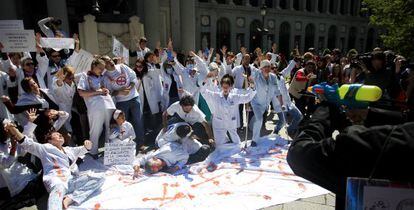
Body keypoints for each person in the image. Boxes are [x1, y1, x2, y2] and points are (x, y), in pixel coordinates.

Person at [287, 68, 414, 210]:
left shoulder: (390, 144)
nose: (407, 83)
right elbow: (406, 120)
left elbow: (300, 154)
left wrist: (327, 108)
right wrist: (368, 114)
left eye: (411, 80)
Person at [6, 125, 104, 210]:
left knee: (99, 178)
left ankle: (72, 198)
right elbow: (26, 143)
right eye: (56, 134)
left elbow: (86, 148)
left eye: (60, 134)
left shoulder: (69, 150)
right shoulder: (45, 148)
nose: (60, 134)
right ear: (50, 140)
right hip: (56, 181)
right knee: (57, 195)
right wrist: (14, 129)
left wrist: (88, 143)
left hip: (70, 181)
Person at [200, 74, 256, 147]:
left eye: (227, 87)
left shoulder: (234, 97)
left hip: (231, 122)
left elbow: (247, 97)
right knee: (219, 145)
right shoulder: (216, 96)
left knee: (237, 144)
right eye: (223, 87)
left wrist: (252, 87)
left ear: (230, 87)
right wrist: (206, 79)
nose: (225, 89)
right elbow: (203, 92)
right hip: (219, 123)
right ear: (221, 87)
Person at [101, 55, 144, 145]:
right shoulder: (105, 77)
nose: (111, 62)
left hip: (134, 97)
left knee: (138, 120)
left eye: (110, 60)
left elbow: (133, 77)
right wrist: (120, 92)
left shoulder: (122, 67)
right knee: (122, 124)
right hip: (121, 102)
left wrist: (129, 87)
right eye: (107, 62)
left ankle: (140, 142)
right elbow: (109, 93)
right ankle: (124, 145)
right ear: (104, 66)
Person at [77, 58, 116, 156]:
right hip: (95, 107)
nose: (102, 71)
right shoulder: (85, 76)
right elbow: (81, 93)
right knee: (96, 129)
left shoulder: (101, 76)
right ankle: (93, 151)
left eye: (103, 69)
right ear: (93, 66)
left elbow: (102, 87)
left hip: (108, 104)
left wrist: (104, 90)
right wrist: (97, 92)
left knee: (109, 128)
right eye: (100, 68)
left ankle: (109, 152)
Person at [249, 60, 283, 147]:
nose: (267, 69)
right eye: (265, 67)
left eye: (268, 66)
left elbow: (277, 91)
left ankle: (251, 124)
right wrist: (251, 81)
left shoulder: (273, 77)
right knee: (259, 119)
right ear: (261, 68)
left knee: (257, 120)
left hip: (265, 104)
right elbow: (252, 76)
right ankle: (254, 140)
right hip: (256, 102)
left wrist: (281, 103)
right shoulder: (257, 75)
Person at [271, 60, 303, 137]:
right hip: (279, 104)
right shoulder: (269, 79)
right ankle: (276, 131)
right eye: (272, 68)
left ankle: (289, 129)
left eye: (275, 67)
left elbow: (288, 68)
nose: (274, 69)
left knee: (299, 116)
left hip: (288, 102)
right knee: (282, 122)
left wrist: (295, 60)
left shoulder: (281, 75)